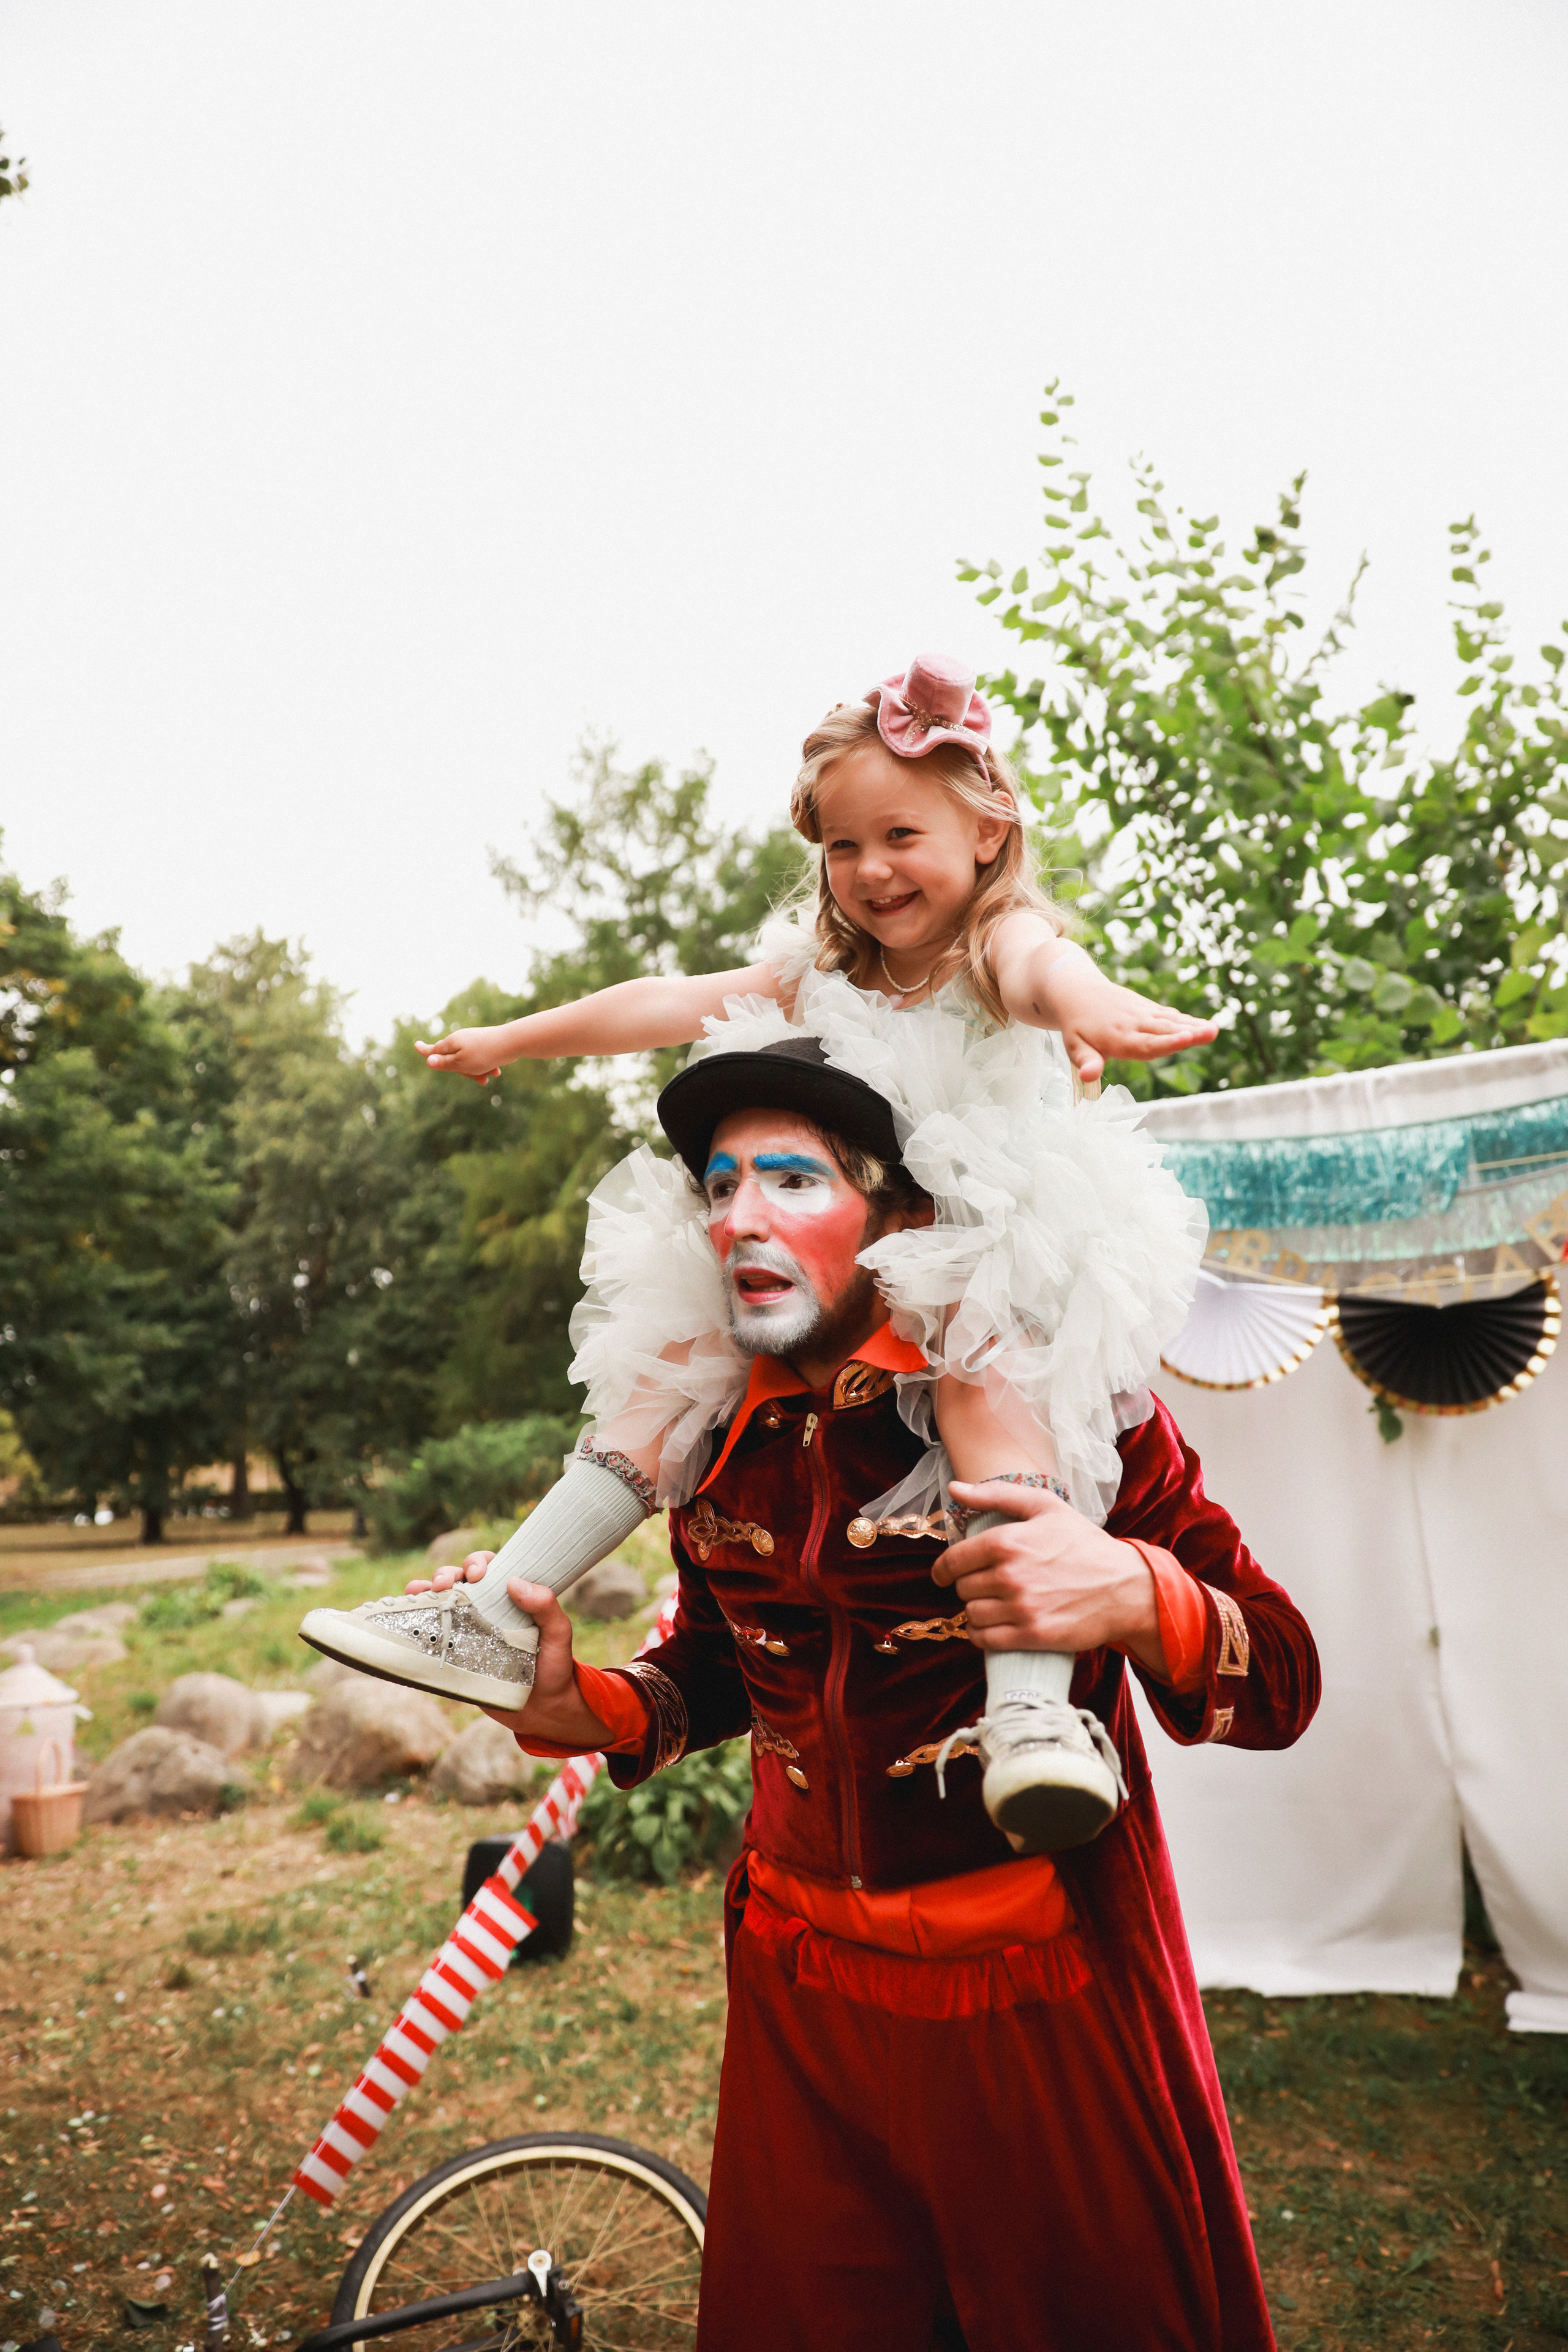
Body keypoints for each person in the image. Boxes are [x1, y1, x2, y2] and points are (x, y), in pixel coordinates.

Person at [309, 1036, 1318, 2350]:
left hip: (1031, 1998)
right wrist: (588, 1709)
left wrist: (1133, 1592)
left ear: (894, 1214)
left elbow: (1281, 1676)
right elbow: (721, 1668)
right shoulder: (724, 1425)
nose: (738, 1217)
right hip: (802, 2002)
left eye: (789, 1178)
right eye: (719, 1183)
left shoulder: (1058, 1405)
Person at [309, 655, 1217, 1852]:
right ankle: (495, 1603)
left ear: (989, 834)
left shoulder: (998, 947)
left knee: (982, 1390)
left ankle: (1031, 1717)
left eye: (901, 834)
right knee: (665, 1360)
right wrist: (514, 1039)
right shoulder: (821, 969)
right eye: (843, 847)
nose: (871, 870)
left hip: (988, 1236)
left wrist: (1092, 1010)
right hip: (838, 1231)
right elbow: (659, 999)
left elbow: (1047, 973)